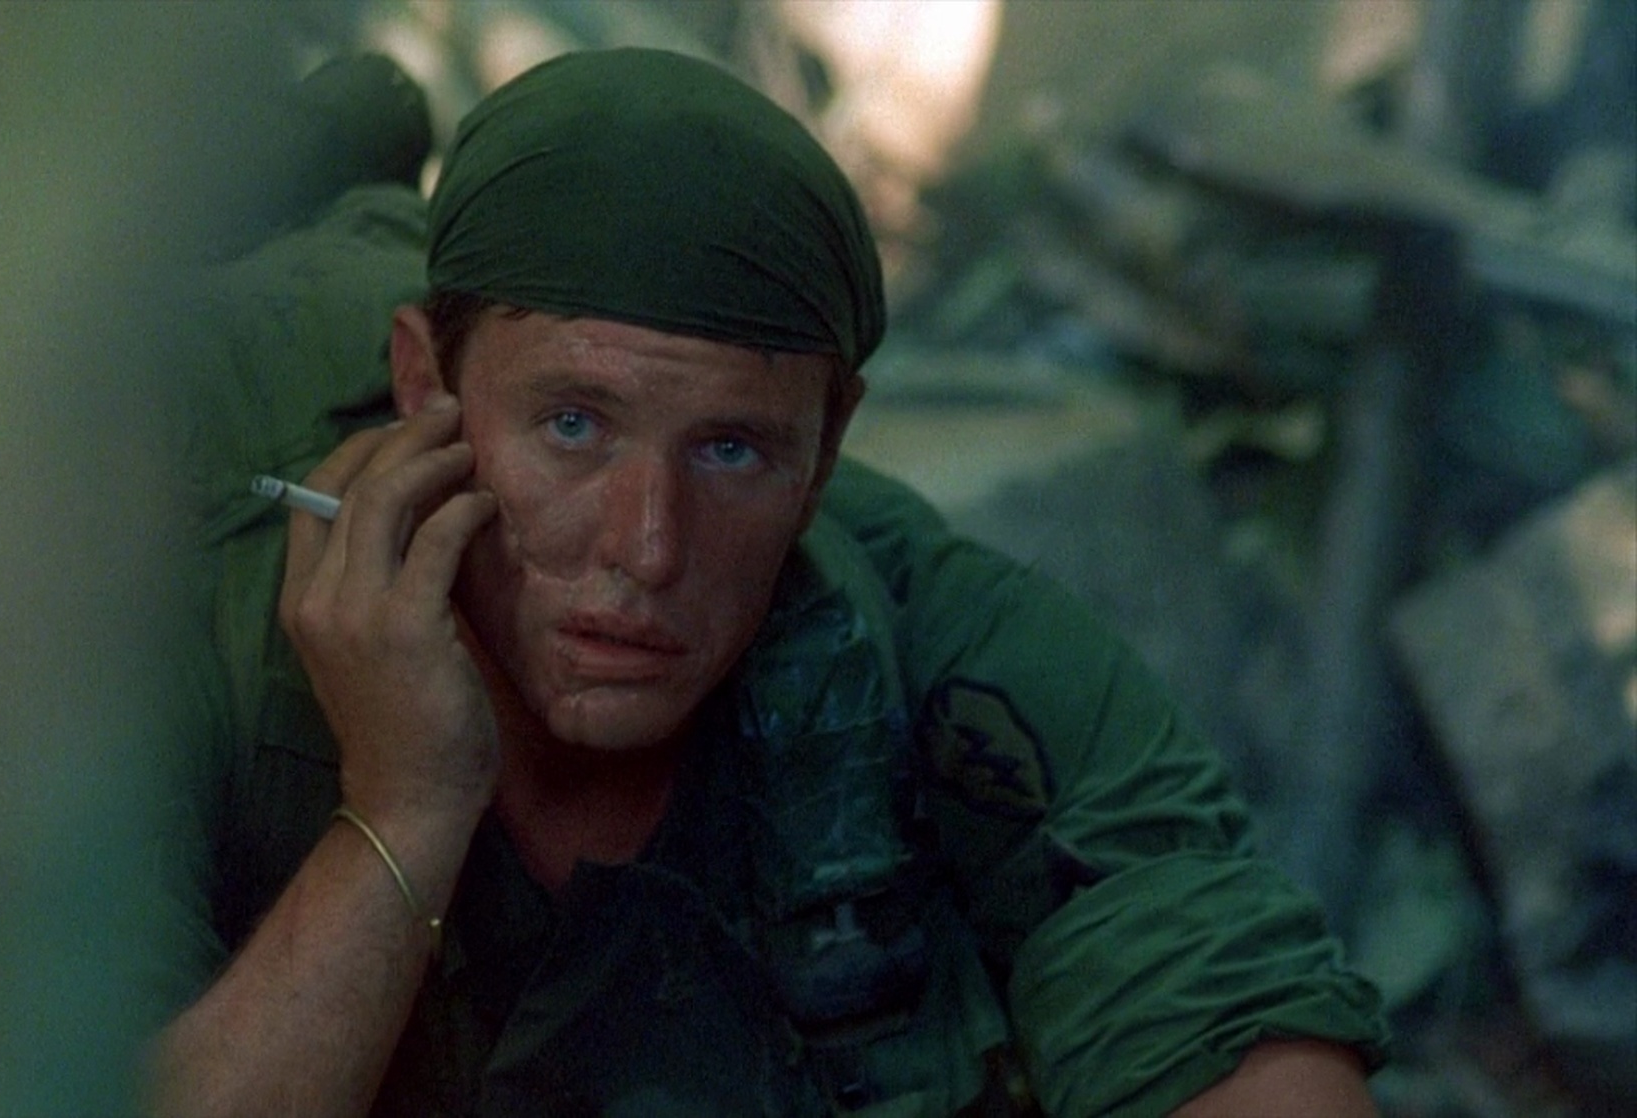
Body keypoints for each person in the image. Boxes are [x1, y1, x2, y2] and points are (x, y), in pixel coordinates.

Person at [149, 48, 1388, 1117]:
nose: (647, 547)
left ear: (827, 444)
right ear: (426, 384)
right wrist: (404, 808)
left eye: (731, 450)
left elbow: (1233, 1019)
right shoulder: (176, 632)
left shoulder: (939, 637)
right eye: (573, 425)